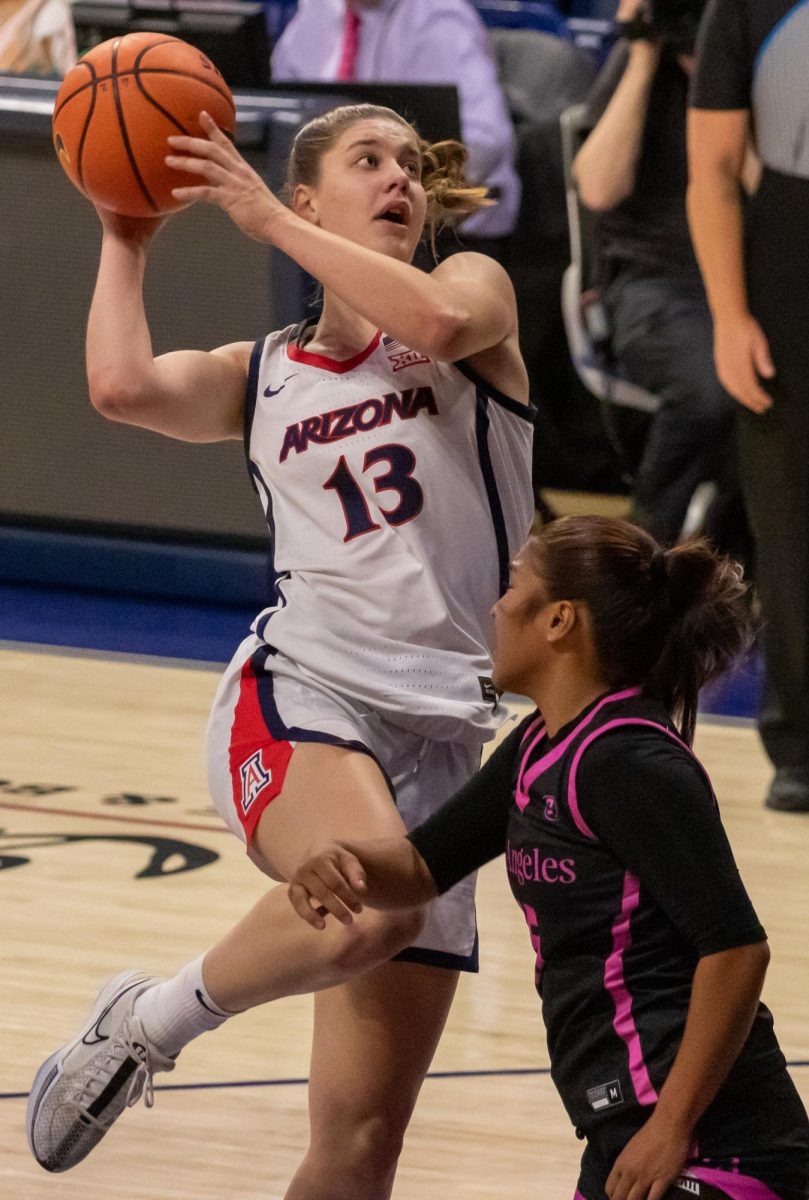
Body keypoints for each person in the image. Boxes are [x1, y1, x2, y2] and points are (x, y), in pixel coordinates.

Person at [25, 103, 535, 1198]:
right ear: (308, 200)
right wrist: (125, 231)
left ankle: (150, 1021)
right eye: (367, 161)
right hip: (304, 697)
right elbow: (120, 388)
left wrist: (261, 219)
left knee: (357, 1151)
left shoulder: (474, 299)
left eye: (408, 163)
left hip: (447, 737)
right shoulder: (262, 374)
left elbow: (440, 325)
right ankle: (146, 1026)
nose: (399, 175)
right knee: (372, 903)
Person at [289, 515, 809, 1200]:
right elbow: (420, 866)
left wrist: (669, 1128)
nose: (496, 608)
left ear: (559, 620)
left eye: (511, 589)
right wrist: (341, 862)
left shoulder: (628, 761)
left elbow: (736, 951)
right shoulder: (541, 743)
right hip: (620, 1130)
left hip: (720, 1144)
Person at [687, 0, 809, 813]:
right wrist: (730, 317)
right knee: (789, 513)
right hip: (789, 250)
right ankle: (800, 738)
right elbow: (713, 172)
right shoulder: (743, 6)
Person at [572, 0, 742, 549]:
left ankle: (727, 549)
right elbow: (597, 188)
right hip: (656, 282)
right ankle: (644, 545)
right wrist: (644, 55)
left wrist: (725, 74)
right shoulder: (641, 62)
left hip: (745, 278)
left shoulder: (756, 64)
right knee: (714, 386)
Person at [271, 0, 520, 261]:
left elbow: (486, 142)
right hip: (343, 223)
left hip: (449, 237)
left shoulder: (441, 19)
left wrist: (403, 187)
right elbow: (283, 110)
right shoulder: (317, 10)